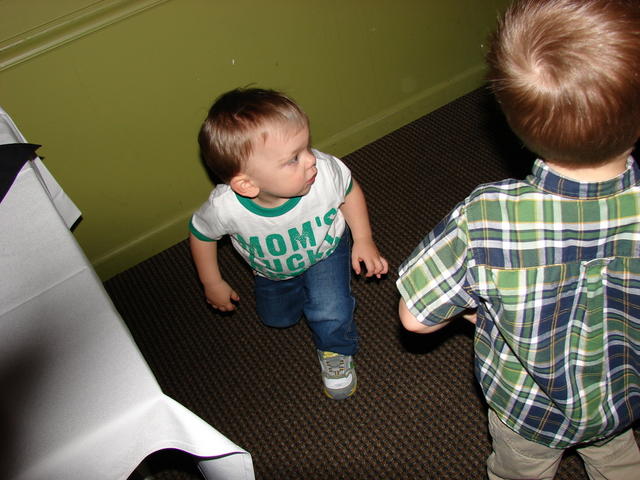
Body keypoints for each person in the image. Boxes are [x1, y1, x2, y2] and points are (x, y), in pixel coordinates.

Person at [396, 0, 640, 478]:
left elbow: (415, 318)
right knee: (619, 461)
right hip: (620, 397)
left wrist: (481, 312)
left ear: (512, 121)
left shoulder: (486, 217)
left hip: (529, 410)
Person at [190, 87, 388, 400]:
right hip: (271, 269)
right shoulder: (225, 208)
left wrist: (363, 239)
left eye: (306, 147)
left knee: (330, 309)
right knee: (278, 318)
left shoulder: (324, 175)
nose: (312, 160)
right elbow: (201, 234)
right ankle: (299, 296)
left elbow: (349, 191)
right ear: (247, 184)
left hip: (326, 249)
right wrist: (211, 281)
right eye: (293, 159)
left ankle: (336, 348)